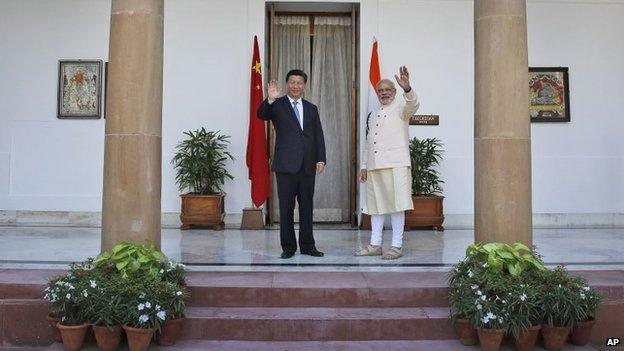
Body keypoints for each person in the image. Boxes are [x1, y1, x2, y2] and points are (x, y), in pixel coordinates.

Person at [257, 69, 326, 259]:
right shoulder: (277, 105)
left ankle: (308, 246)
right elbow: (261, 114)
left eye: (299, 83)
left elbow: (318, 135)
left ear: (305, 86)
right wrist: (270, 99)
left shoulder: (311, 108)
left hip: (307, 166)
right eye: (292, 82)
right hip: (285, 166)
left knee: (306, 207)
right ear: (287, 84)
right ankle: (288, 247)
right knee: (286, 208)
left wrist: (321, 158)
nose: (296, 86)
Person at [356, 66, 420, 260]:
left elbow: (414, 105)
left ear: (394, 92)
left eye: (387, 90)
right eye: (380, 90)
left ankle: (396, 246)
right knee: (376, 206)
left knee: (397, 205)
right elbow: (369, 142)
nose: (384, 93)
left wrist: (407, 88)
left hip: (396, 164)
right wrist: (364, 165)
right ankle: (375, 244)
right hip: (375, 166)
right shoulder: (373, 114)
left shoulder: (401, 109)